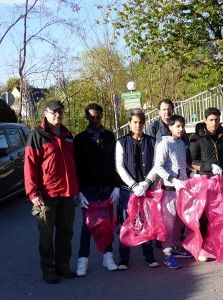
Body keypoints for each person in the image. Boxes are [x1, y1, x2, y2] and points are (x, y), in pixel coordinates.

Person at [24, 100, 78, 284]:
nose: (58, 114)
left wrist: (76, 190)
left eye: (60, 111)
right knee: (46, 236)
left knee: (66, 233)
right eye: (54, 112)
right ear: (45, 114)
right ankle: (48, 269)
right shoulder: (37, 136)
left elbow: (73, 165)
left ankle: (63, 266)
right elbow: (30, 167)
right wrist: (33, 193)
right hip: (46, 196)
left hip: (68, 194)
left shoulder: (67, 135)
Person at [74, 103, 120, 277]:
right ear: (87, 117)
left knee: (107, 223)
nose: (95, 119)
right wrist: (78, 192)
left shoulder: (109, 136)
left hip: (107, 185)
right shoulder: (80, 139)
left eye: (98, 116)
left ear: (102, 116)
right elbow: (76, 166)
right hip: (88, 187)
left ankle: (107, 257)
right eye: (91, 116)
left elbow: (115, 162)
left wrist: (116, 185)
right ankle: (82, 259)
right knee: (88, 225)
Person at [144, 114, 191, 269]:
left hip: (182, 190)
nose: (181, 129)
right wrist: (172, 179)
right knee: (169, 224)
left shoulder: (181, 144)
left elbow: (182, 166)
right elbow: (158, 166)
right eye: (178, 126)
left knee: (179, 223)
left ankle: (177, 247)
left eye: (182, 126)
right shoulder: (164, 144)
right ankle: (167, 254)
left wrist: (188, 176)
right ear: (170, 127)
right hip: (169, 190)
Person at [115, 108, 160, 270]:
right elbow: (119, 166)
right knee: (126, 223)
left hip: (146, 189)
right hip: (128, 191)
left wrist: (147, 182)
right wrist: (133, 185)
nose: (138, 125)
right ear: (129, 123)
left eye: (141, 122)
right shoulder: (121, 142)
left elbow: (157, 165)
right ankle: (124, 259)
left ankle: (149, 256)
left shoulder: (152, 141)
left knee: (146, 222)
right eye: (134, 122)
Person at [188, 107, 223, 261]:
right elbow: (191, 161)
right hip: (204, 183)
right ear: (205, 120)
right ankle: (202, 248)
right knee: (204, 217)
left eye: (217, 120)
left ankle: (218, 245)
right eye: (211, 120)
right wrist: (209, 167)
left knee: (220, 216)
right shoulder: (196, 138)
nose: (214, 123)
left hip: (221, 183)